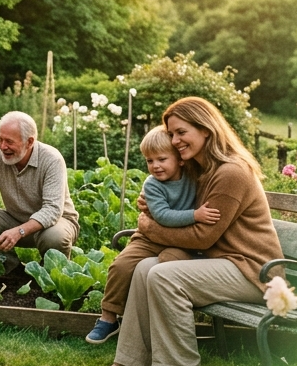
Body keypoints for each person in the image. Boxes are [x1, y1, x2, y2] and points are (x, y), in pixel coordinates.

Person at [88, 97, 282, 366]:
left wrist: (149, 226)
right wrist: (151, 202)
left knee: (165, 276)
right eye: (172, 134)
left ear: (205, 129)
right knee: (143, 268)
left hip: (252, 270)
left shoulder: (232, 172)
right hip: (222, 262)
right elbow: (173, 201)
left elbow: (203, 237)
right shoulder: (199, 170)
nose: (175, 141)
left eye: (181, 132)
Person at [85, 125, 220, 344]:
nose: (155, 166)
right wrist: (195, 215)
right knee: (121, 265)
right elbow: (163, 216)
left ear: (181, 160)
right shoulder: (153, 185)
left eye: (162, 159)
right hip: (149, 237)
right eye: (149, 161)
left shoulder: (193, 176)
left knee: (165, 268)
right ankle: (108, 317)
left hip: (181, 242)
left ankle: (160, 326)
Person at [0, 111, 79, 258]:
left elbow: (52, 210)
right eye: (0, 139)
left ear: (30, 142)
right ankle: (10, 270)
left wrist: (20, 231)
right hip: (16, 221)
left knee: (54, 237)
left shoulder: (52, 159)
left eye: (9, 141)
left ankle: (49, 277)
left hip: (56, 224)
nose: (2, 146)